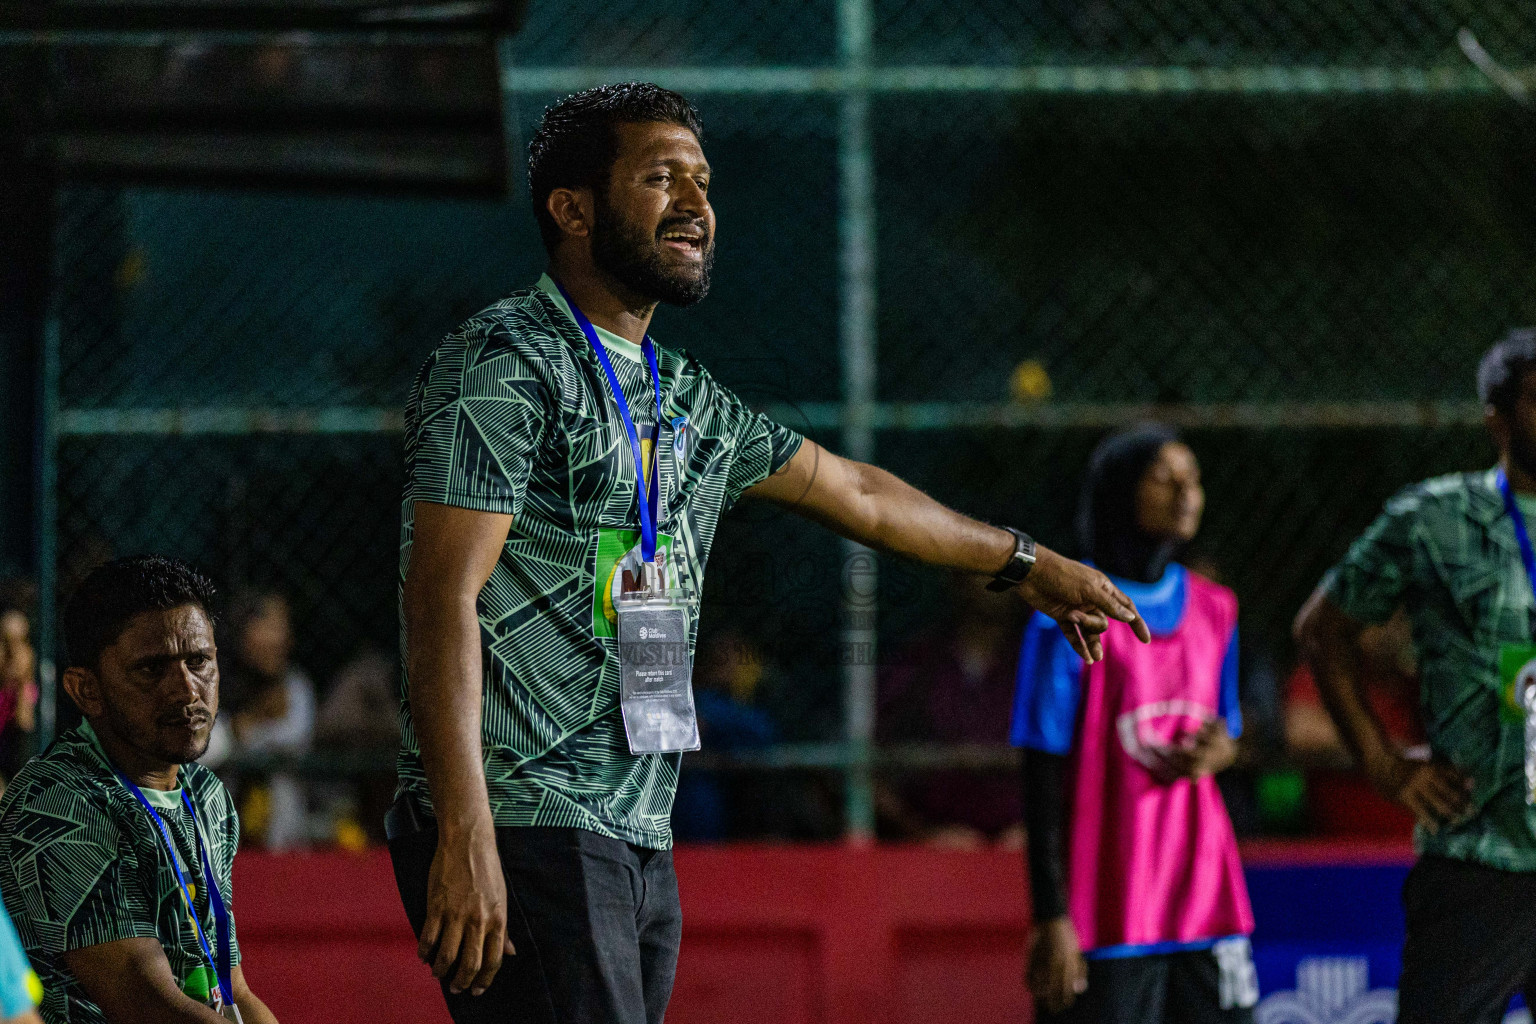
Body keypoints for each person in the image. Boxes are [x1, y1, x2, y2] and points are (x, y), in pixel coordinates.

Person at [390, 81, 1151, 1024]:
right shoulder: (505, 363)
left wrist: (1029, 565)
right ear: (572, 208)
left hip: (634, 821)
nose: (697, 204)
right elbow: (439, 601)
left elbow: (860, 494)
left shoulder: (687, 399)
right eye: (661, 177)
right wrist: (466, 830)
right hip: (521, 814)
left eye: (703, 181)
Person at [1294, 328, 1536, 1024]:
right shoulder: (1435, 519)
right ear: (1497, 418)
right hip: (1480, 857)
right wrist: (1381, 762)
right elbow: (1322, 629)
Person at [1014, 425, 1258, 1024]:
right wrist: (1051, 917)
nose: (1187, 494)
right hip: (1108, 909)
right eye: (1164, 478)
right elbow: (1039, 775)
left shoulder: (1216, 609)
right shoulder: (1067, 613)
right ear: (1120, 492)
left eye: (1194, 479)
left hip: (1207, 902)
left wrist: (1221, 751)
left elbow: (1228, 730)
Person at [0, 556, 279, 1024]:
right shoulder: (56, 803)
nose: (187, 690)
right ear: (86, 690)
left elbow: (234, 992)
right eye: (152, 670)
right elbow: (147, 1004)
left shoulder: (205, 794)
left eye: (199, 662)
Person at [877, 573, 1025, 846]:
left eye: (1008, 570)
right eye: (984, 568)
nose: (997, 582)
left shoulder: (1040, 664)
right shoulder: (919, 662)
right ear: (957, 580)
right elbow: (865, 767)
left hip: (1021, 841)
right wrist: (921, 834)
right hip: (934, 846)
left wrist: (1041, 834)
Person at [1284, 609, 1422, 836]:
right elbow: (1300, 728)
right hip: (1341, 838)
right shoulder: (1328, 673)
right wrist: (1378, 750)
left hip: (1409, 837)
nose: (1391, 633)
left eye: (1400, 625)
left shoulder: (1416, 684)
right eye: (1381, 621)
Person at [200, 589, 315, 850]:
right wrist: (241, 726)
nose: (280, 637)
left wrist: (250, 730)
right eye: (269, 626)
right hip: (220, 831)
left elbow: (294, 737)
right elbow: (205, 749)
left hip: (281, 837)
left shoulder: (295, 685)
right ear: (244, 632)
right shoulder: (215, 683)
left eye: (282, 627)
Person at [0, 585, 39, 787]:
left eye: (20, 642)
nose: (13, 654)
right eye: (6, 643)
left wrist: (23, 688)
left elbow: (24, 726)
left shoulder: (27, 692)